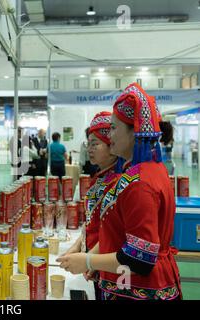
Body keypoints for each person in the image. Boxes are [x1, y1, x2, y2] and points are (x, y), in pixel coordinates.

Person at [57, 83, 182, 300]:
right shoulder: (145, 172)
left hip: (138, 289)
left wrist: (87, 261)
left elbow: (140, 259)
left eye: (114, 128)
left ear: (135, 131)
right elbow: (118, 233)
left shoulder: (140, 183)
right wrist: (86, 254)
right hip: (127, 284)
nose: (110, 133)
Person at [60, 112, 118, 300]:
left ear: (112, 145)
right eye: (88, 144)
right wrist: (77, 247)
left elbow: (114, 232)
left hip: (111, 268)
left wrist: (88, 260)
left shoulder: (119, 183)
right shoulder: (100, 178)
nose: (90, 149)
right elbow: (92, 221)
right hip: (97, 263)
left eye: (95, 144)